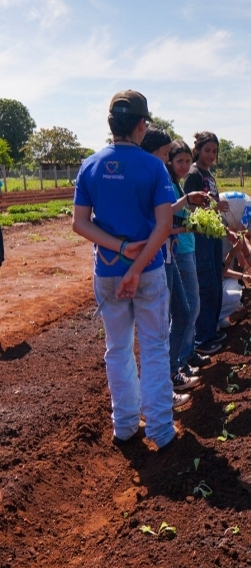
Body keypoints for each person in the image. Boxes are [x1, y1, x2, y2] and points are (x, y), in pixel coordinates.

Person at [71, 90, 177, 450]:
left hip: (107, 270)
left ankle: (125, 426)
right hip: (147, 271)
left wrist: (117, 248)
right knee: (153, 346)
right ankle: (160, 430)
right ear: (141, 125)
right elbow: (163, 225)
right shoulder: (152, 166)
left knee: (117, 349)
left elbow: (80, 224)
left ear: (110, 124)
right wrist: (137, 266)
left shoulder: (90, 165)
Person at [139, 126, 204, 396]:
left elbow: (166, 213)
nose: (169, 161)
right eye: (166, 154)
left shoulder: (159, 176)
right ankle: (162, 385)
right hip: (157, 259)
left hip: (167, 255)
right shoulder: (151, 176)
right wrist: (182, 223)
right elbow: (161, 220)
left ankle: (171, 372)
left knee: (183, 312)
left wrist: (186, 200)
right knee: (161, 323)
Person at [182, 131, 229, 355]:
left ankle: (211, 329)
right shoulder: (193, 175)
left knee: (215, 281)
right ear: (198, 150)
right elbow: (189, 207)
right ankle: (203, 339)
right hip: (201, 237)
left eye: (214, 151)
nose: (211, 155)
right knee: (206, 284)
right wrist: (214, 208)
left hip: (213, 236)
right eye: (207, 150)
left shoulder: (208, 174)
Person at [167, 140, 211, 369]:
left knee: (192, 305)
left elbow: (182, 213)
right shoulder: (169, 185)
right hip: (180, 250)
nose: (184, 166)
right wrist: (192, 223)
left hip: (188, 245)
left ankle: (188, 351)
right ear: (169, 161)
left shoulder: (178, 184)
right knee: (189, 306)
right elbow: (171, 218)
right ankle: (181, 359)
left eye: (187, 161)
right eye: (179, 161)